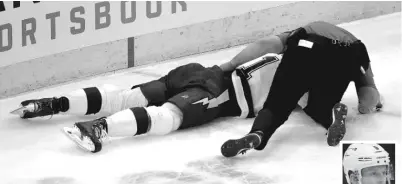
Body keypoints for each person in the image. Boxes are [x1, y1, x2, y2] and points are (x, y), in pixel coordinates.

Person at [12, 53, 289, 153]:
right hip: (222, 91)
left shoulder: (288, 48)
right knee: (169, 117)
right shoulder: (307, 80)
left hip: (200, 71)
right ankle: (98, 129)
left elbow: (267, 41)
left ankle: (52, 104)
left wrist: (225, 65)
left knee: (125, 97)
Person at [220, 21, 383, 158]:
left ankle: (258, 133)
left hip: (307, 44)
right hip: (349, 55)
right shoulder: (359, 48)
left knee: (278, 104)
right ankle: (331, 116)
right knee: (320, 105)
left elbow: (265, 45)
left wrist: (230, 65)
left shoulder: (307, 28)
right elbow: (368, 92)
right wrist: (368, 107)